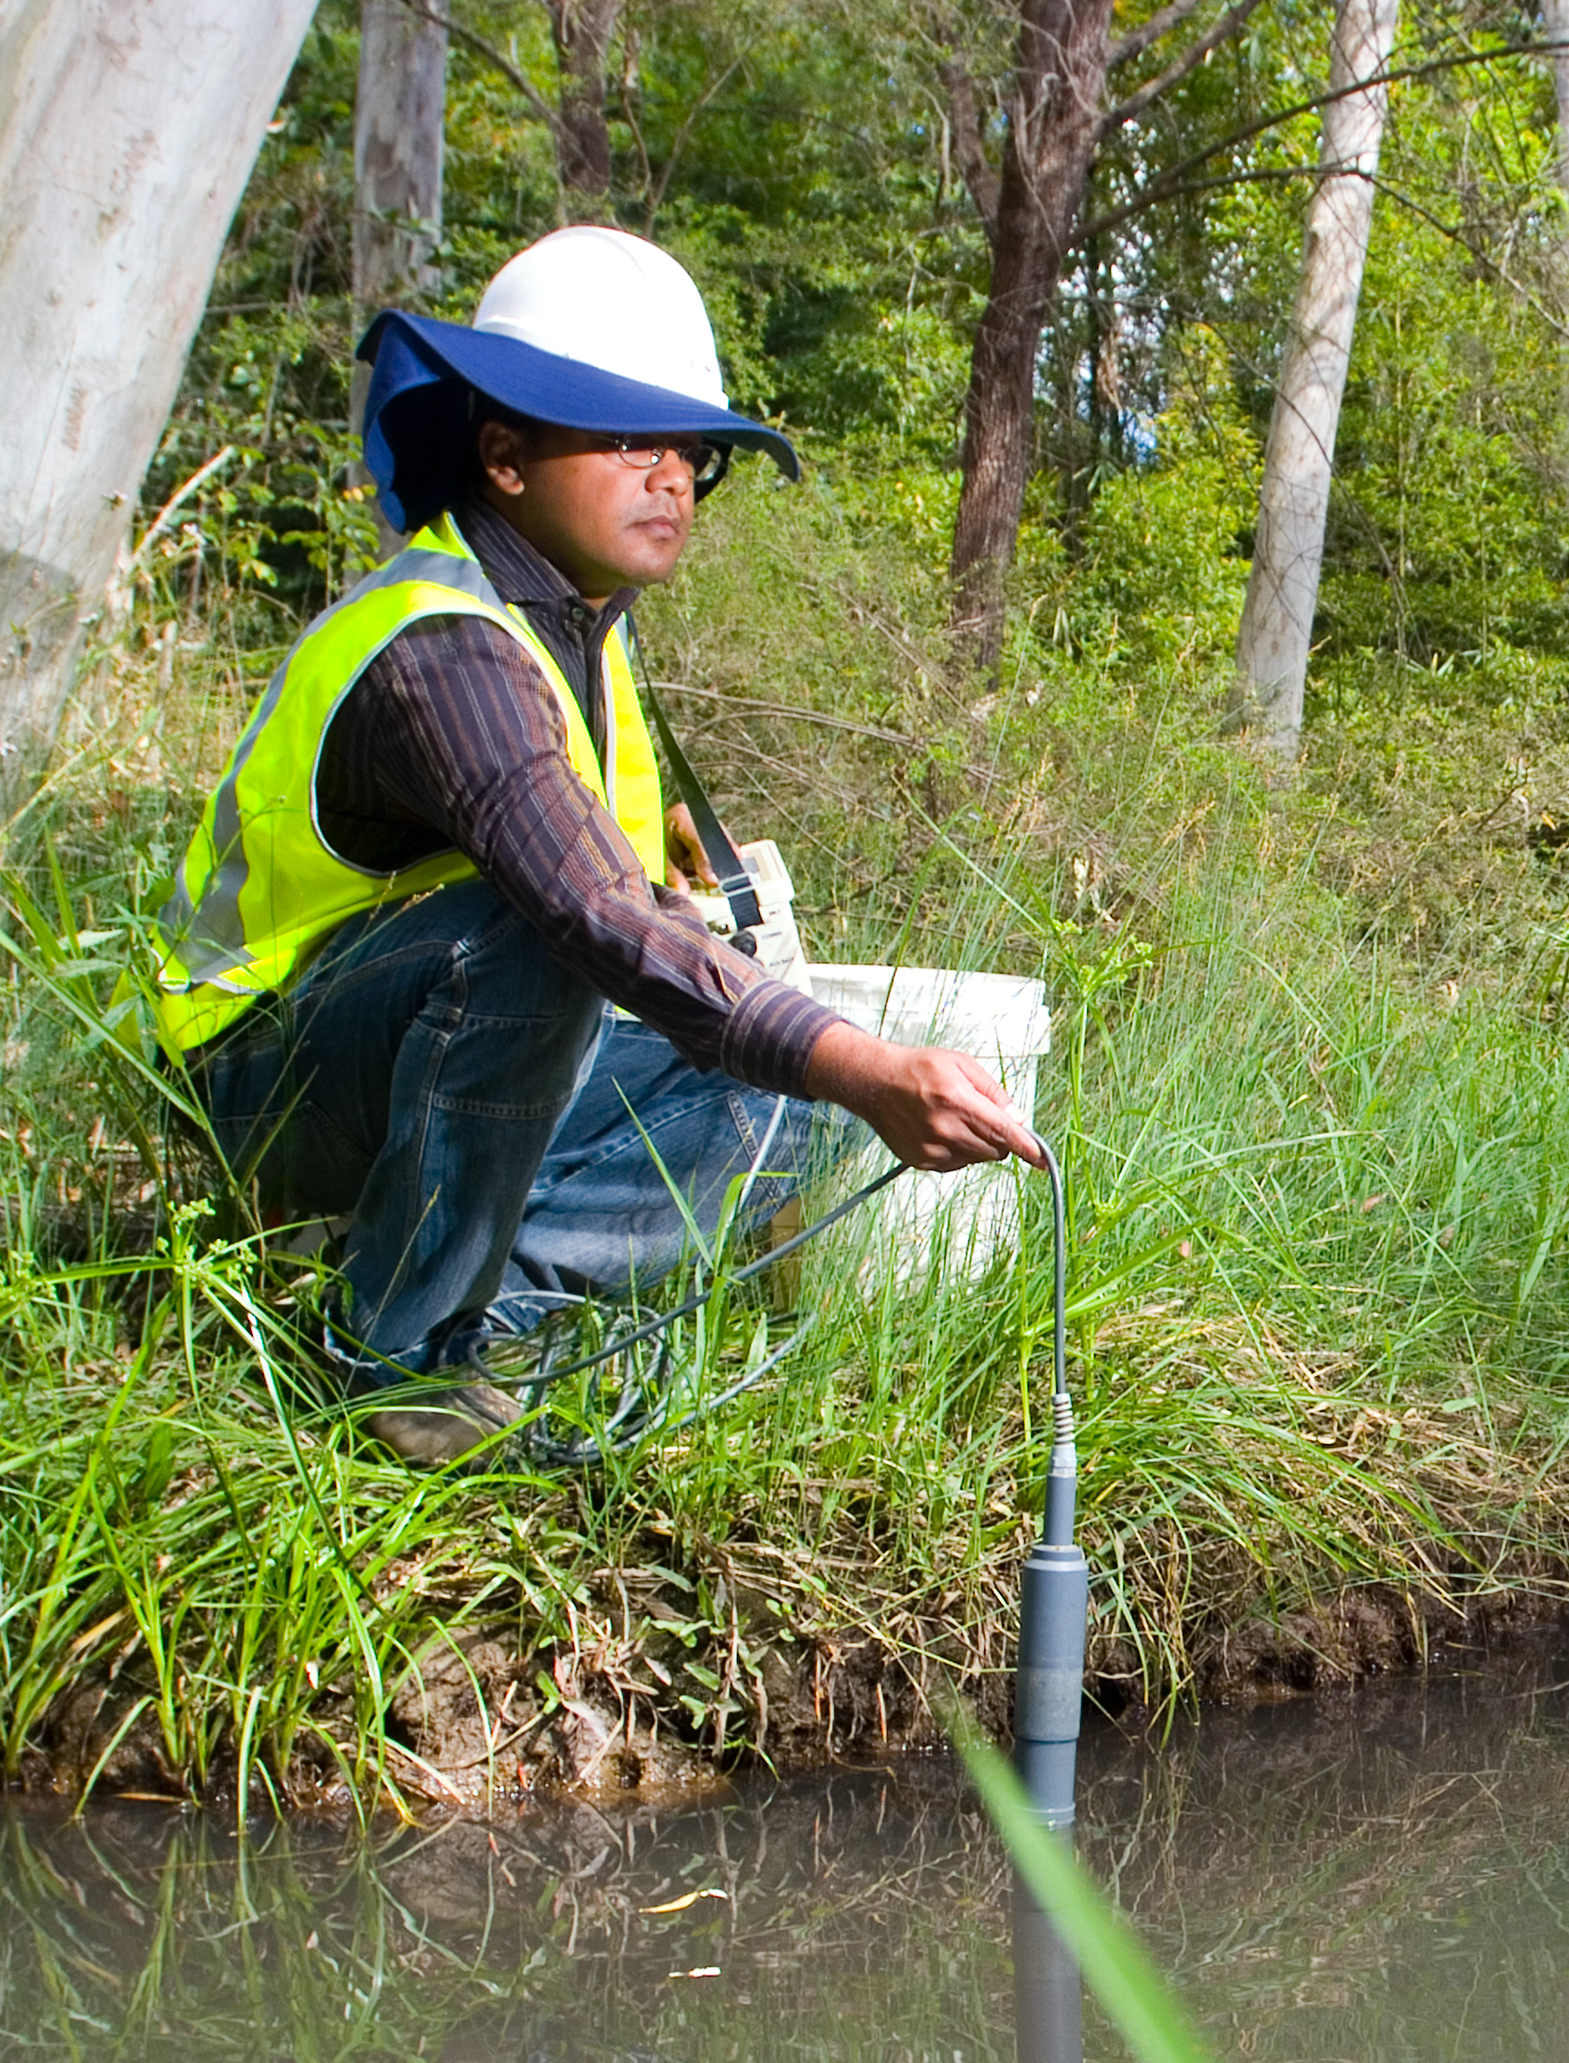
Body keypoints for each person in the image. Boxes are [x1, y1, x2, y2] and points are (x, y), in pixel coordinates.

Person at [137, 227, 1040, 1465]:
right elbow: (582, 915)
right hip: (268, 1079)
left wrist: (809, 1041)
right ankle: (397, 1356)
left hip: (421, 1049)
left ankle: (465, 1285)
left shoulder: (585, 635)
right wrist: (870, 1066)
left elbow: (628, 900)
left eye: (686, 451)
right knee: (582, 961)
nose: (669, 476)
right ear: (502, 455)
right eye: (623, 438)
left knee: (792, 1115)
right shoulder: (441, 648)